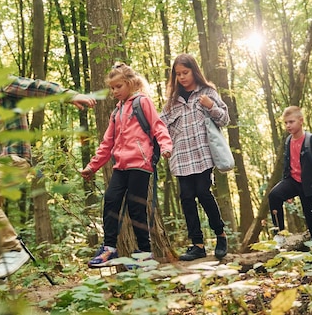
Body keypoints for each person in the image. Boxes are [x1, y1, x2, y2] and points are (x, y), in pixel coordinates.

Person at [0, 45, 96, 292]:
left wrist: (69, 95)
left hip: (13, 158)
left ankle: (13, 250)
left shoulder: (2, 83)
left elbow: (36, 87)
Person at [80, 62, 172, 268]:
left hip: (140, 163)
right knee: (111, 200)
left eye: (118, 86)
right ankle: (109, 249)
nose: (114, 91)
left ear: (131, 83)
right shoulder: (116, 112)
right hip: (120, 165)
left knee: (136, 207)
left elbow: (158, 126)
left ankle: (145, 253)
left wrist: (166, 145)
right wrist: (92, 167)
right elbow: (107, 143)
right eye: (112, 88)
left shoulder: (143, 102)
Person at [160, 53, 229, 261]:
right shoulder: (172, 102)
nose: (182, 77)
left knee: (203, 192)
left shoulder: (208, 92)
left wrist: (210, 106)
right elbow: (159, 126)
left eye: (185, 72)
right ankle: (197, 244)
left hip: (203, 155)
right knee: (186, 198)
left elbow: (225, 119)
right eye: (178, 74)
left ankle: (221, 234)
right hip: (181, 158)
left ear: (194, 71)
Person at [268, 105, 312, 260]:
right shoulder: (289, 140)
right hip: (293, 181)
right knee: (274, 195)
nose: (288, 126)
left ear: (301, 121)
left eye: (291, 122)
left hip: (309, 187)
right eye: (286, 123)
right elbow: (287, 164)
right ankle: (279, 233)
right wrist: (285, 188)